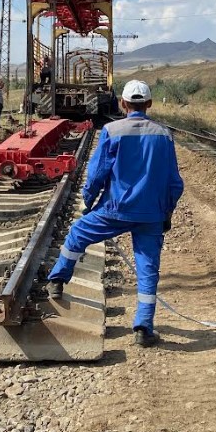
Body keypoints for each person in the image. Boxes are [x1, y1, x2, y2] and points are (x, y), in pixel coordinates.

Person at [44, 79, 184, 347]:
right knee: (148, 269)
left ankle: (57, 281)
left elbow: (98, 173)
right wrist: (166, 211)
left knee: (77, 234)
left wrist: (88, 200)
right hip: (151, 213)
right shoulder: (164, 135)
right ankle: (143, 328)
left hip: (114, 210)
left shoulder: (112, 130)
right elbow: (174, 182)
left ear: (123, 103)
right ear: (149, 104)